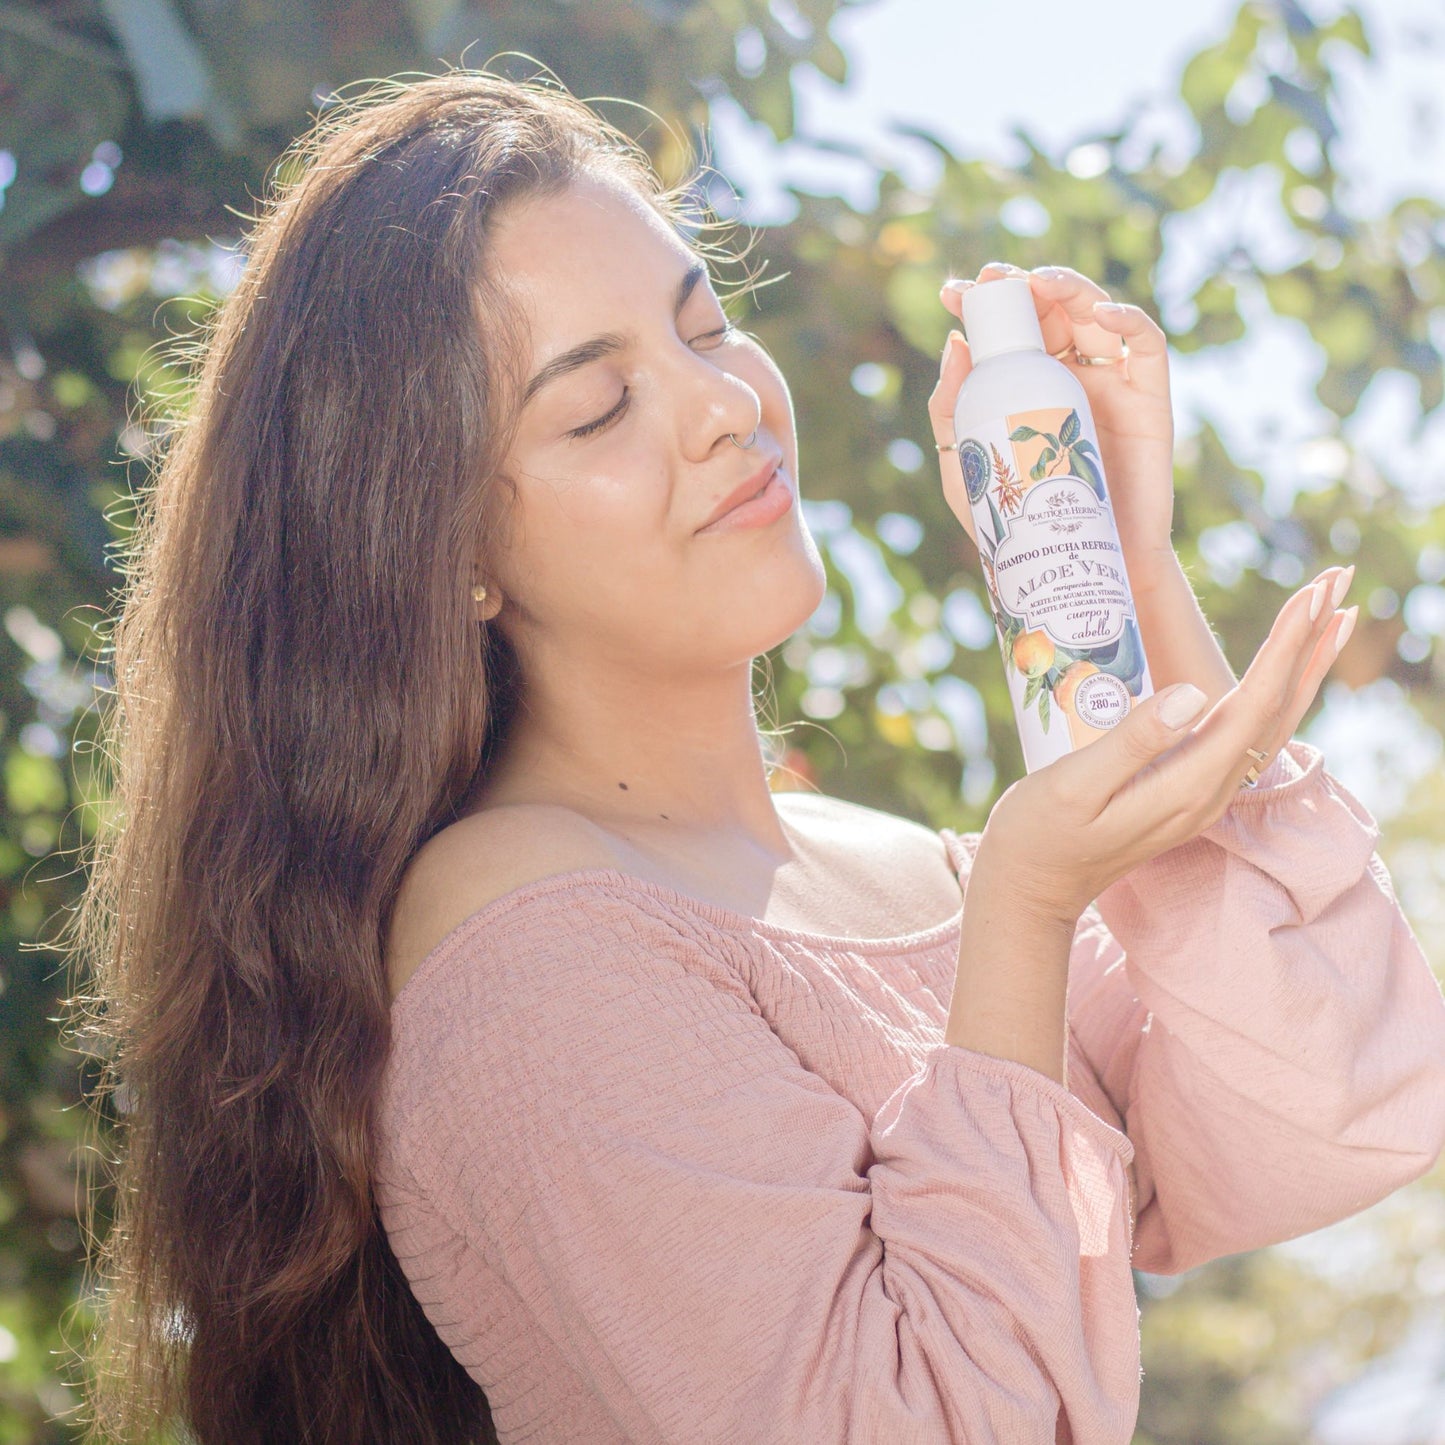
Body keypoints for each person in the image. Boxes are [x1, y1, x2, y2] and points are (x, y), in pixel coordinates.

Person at [63, 66, 1445, 1445]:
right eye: (597, 407)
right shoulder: (521, 952)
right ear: (449, 548)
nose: (723, 406)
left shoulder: (902, 873)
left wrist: (1126, 562)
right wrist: (1025, 906)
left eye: (706, 326)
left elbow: (1336, 1115)